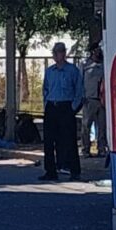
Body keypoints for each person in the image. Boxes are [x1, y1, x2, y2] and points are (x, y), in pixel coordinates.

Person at [40, 42, 84, 182]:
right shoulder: (49, 71)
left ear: (64, 53)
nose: (55, 55)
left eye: (58, 52)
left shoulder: (72, 70)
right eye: (54, 52)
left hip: (66, 107)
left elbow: (79, 91)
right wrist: (46, 103)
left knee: (69, 140)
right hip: (52, 107)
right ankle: (50, 171)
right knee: (48, 141)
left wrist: (72, 108)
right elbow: (45, 89)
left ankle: (74, 171)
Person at [82, 46, 107, 158]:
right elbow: (80, 81)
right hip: (89, 99)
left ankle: (101, 149)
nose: (98, 52)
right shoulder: (85, 65)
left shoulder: (105, 64)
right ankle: (86, 149)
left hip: (102, 100)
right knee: (86, 126)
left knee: (102, 126)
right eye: (96, 50)